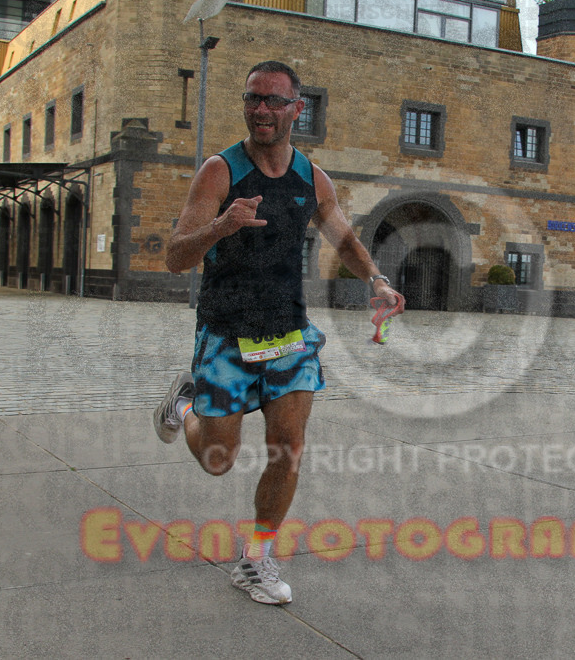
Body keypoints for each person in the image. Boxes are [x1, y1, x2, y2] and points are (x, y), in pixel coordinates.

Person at [154, 61, 404, 605]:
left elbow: (344, 239)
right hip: (225, 334)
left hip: (288, 335)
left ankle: (256, 558)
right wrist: (221, 225)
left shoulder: (312, 179)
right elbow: (175, 257)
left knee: (288, 448)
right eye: (252, 99)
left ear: (297, 109)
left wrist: (378, 281)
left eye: (272, 101)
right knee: (218, 460)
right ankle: (187, 409)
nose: (260, 110)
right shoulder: (219, 172)